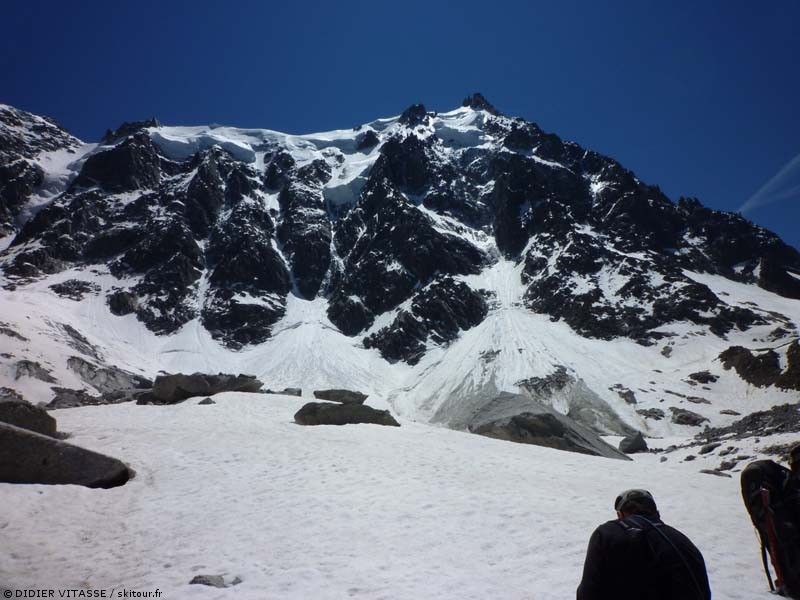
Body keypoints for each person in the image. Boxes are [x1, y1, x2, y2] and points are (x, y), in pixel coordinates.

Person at [576, 489, 711, 600]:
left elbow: (589, 590)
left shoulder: (607, 533)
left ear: (620, 515)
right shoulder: (682, 540)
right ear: (657, 513)